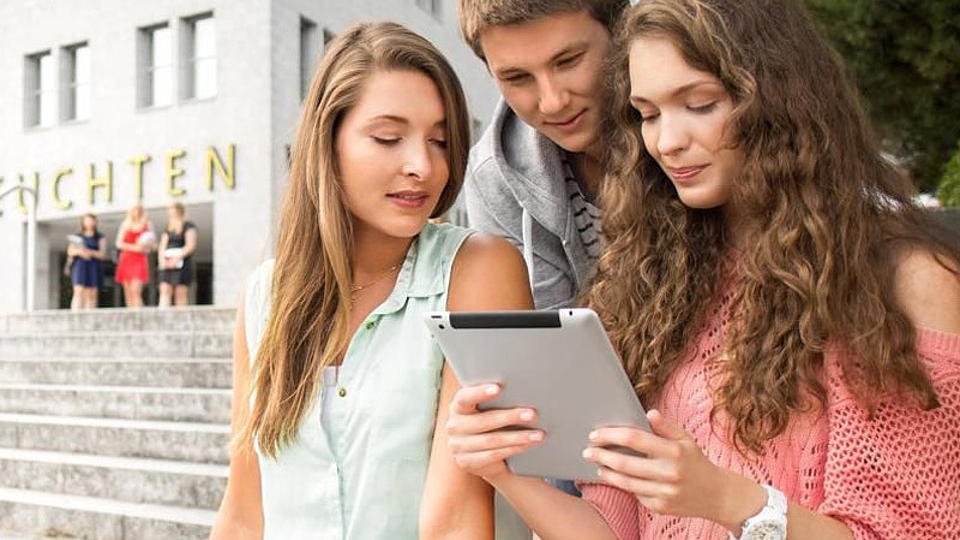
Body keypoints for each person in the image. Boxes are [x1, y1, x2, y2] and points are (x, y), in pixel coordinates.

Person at [445, 1, 960, 539]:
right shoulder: (647, 282)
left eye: (699, 104)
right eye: (648, 114)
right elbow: (611, 530)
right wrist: (502, 469)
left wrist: (725, 498)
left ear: (777, 99)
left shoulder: (902, 281)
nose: (667, 142)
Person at [209, 22, 531, 540]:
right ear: (328, 141)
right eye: (388, 138)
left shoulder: (480, 269)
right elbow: (245, 511)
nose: (422, 166)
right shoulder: (264, 297)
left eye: (440, 141)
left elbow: (456, 521)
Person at [458, 0, 628, 309]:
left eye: (568, 61)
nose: (552, 102)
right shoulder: (493, 178)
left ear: (622, 30)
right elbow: (549, 336)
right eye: (517, 78)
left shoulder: (691, 125)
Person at [158, 202, 198, 307]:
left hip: (182, 262)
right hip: (167, 263)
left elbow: (190, 245)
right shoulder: (168, 228)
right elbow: (162, 246)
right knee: (165, 289)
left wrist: (177, 258)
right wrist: (163, 262)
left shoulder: (188, 226)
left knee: (180, 292)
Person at [114, 204, 153, 308]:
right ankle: (130, 317)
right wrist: (135, 248)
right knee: (128, 293)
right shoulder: (125, 224)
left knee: (136, 291)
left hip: (139, 260)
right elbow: (118, 243)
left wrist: (143, 247)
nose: (136, 211)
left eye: (138, 209)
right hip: (126, 260)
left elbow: (152, 245)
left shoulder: (147, 224)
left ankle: (139, 316)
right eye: (134, 209)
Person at [67, 213, 106, 310]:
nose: (89, 222)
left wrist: (90, 252)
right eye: (87, 220)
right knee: (78, 291)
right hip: (80, 265)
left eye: (91, 220)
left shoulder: (99, 237)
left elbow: (102, 254)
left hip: (93, 265)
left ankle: (90, 315)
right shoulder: (77, 236)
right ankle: (75, 313)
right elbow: (70, 251)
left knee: (91, 293)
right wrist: (80, 252)